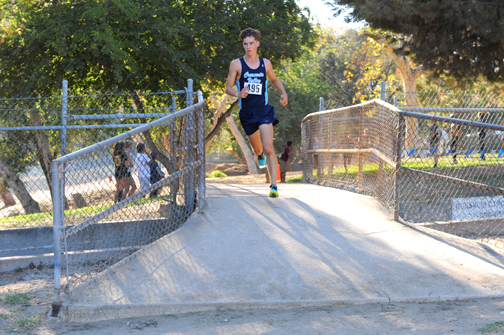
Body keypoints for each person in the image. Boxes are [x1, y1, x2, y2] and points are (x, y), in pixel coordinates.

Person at [225, 27, 288, 198]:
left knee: (269, 148)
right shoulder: (236, 64)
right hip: (247, 113)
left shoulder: (265, 63)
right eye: (245, 44)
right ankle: (258, 154)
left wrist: (283, 92)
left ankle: (273, 186)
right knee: (259, 148)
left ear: (257, 44)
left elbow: (274, 79)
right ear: (243, 45)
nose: (248, 47)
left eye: (251, 43)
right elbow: (228, 88)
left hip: (264, 111)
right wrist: (238, 93)